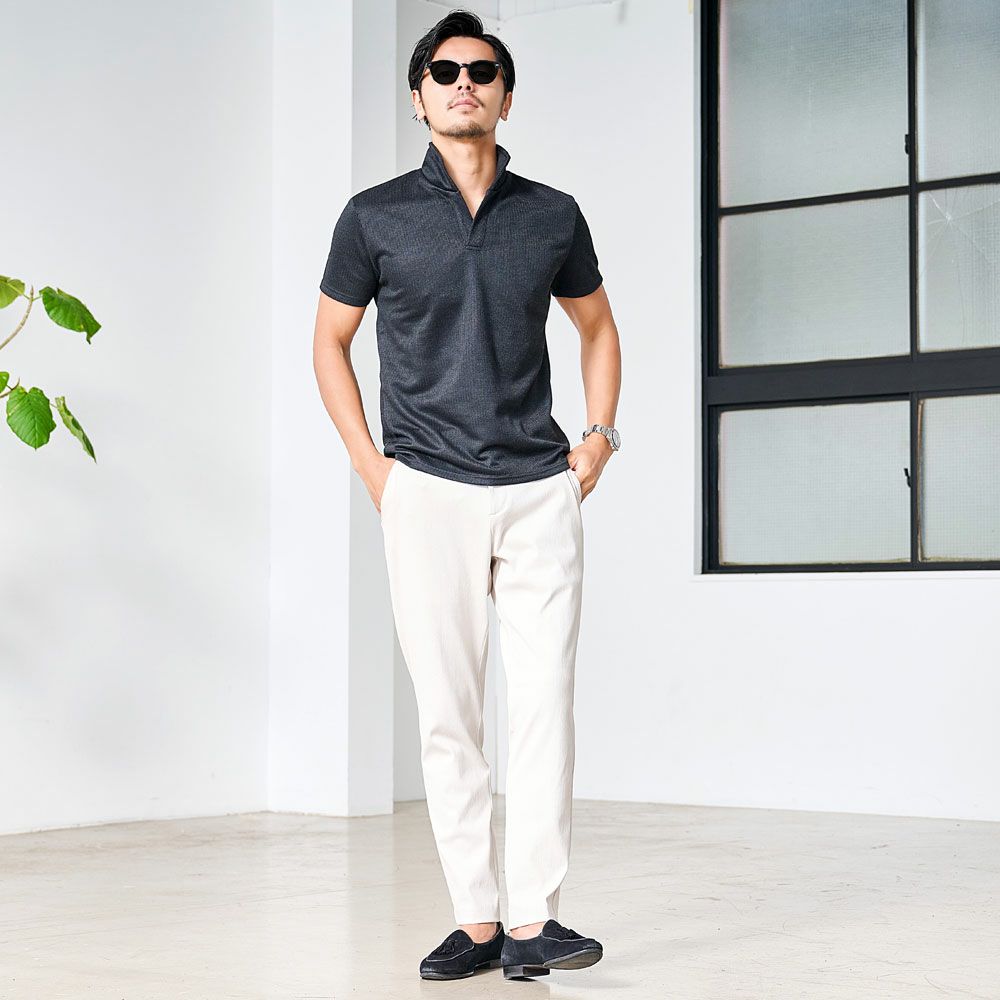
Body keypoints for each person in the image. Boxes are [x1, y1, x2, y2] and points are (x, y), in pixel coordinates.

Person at [312, 8, 621, 983]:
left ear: (505, 96)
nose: (462, 84)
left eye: (481, 71)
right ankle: (476, 922)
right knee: (449, 715)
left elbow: (597, 327)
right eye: (443, 71)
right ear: (418, 98)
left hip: (536, 490)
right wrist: (372, 466)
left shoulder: (552, 214)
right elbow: (329, 343)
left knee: (544, 708)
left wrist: (599, 438)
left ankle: (534, 921)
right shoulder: (373, 216)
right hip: (426, 488)